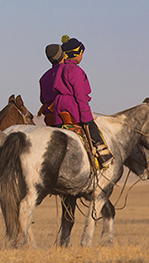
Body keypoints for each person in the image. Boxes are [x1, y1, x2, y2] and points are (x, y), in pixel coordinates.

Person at [52, 35, 113, 168]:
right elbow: (79, 95)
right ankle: (104, 156)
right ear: (77, 54)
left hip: (59, 106)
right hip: (72, 104)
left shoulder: (59, 68)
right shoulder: (75, 70)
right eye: (81, 54)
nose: (82, 57)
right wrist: (86, 115)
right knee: (92, 127)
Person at [37, 43, 64, 127]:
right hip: (65, 117)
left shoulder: (44, 77)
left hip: (49, 119)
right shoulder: (67, 73)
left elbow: (42, 99)